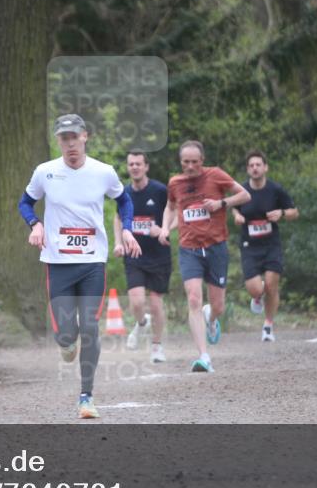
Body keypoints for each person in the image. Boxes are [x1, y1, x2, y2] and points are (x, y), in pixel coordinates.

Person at [18, 114, 142, 419]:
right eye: (64, 138)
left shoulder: (104, 172)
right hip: (58, 262)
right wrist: (34, 224)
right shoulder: (45, 172)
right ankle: (65, 342)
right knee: (65, 334)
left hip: (92, 262)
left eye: (74, 137)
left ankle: (86, 397)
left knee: (90, 327)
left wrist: (127, 228)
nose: (70, 144)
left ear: (85, 136)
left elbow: (124, 201)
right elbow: (25, 203)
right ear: (58, 140)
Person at [158, 141, 250, 373]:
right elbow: (170, 207)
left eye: (194, 162)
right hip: (189, 248)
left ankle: (212, 319)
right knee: (194, 299)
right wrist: (165, 228)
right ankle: (204, 356)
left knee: (217, 305)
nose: (190, 167)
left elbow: (245, 195)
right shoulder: (175, 183)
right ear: (181, 162)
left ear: (202, 160)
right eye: (185, 162)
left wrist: (221, 203)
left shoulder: (216, 175)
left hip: (216, 247)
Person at [112, 150, 174, 364]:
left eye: (139, 163)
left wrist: (165, 229)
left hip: (158, 255)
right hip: (134, 254)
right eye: (131, 164)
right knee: (137, 302)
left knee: (156, 304)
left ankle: (156, 346)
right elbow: (118, 218)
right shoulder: (124, 192)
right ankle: (140, 323)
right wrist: (118, 242)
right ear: (128, 167)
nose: (135, 167)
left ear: (146, 166)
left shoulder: (159, 190)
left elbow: (175, 211)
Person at [231, 150, 298, 342]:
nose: (255, 168)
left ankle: (268, 326)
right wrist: (237, 215)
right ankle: (257, 296)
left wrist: (282, 214)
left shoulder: (276, 190)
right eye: (251, 165)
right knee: (255, 289)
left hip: (271, 244)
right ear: (247, 169)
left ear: (265, 167)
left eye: (258, 165)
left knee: (271, 285)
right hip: (249, 245)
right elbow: (233, 206)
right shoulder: (241, 191)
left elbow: (294, 211)